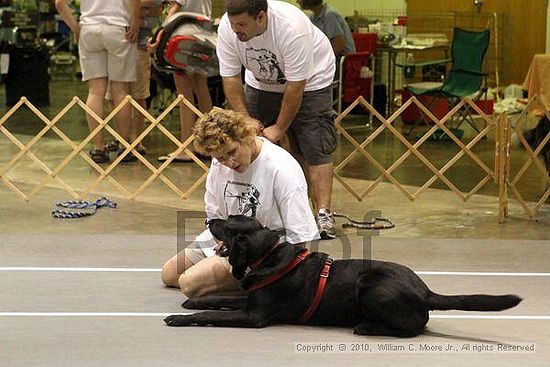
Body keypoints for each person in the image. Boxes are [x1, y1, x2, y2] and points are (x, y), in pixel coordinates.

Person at [160, 107, 320, 297]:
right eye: (220, 158)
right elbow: (215, 213)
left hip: (267, 249)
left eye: (232, 152)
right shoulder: (219, 161)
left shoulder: (283, 169)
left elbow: (300, 233)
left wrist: (284, 274)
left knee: (189, 284)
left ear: (247, 137)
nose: (229, 162)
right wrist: (222, 239)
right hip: (231, 239)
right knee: (169, 274)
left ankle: (261, 283)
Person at [216, 0, 338, 239]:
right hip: (260, 82)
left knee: (315, 146)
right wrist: (245, 118)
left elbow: (296, 86)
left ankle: (323, 213)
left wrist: (279, 128)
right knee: (252, 145)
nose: (235, 29)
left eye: (241, 24)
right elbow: (230, 77)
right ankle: (266, 211)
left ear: (261, 17)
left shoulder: (292, 28)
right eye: (233, 24)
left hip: (312, 81)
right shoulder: (227, 30)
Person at [54, 0, 140, 163]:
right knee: (120, 91)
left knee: (95, 91)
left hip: (89, 28)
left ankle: (98, 148)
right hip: (118, 28)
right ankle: (124, 146)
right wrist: (135, 21)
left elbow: (59, 3)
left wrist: (76, 28)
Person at [105, 0, 164, 161]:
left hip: (140, 43)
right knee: (112, 94)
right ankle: (120, 137)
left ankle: (136, 139)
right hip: (115, 41)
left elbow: (157, 6)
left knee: (139, 94)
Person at [157, 0, 214, 162]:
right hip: (203, 35)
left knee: (184, 95)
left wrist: (160, 36)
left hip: (182, 38)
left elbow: (175, 10)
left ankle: (185, 147)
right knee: (201, 88)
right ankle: (209, 142)